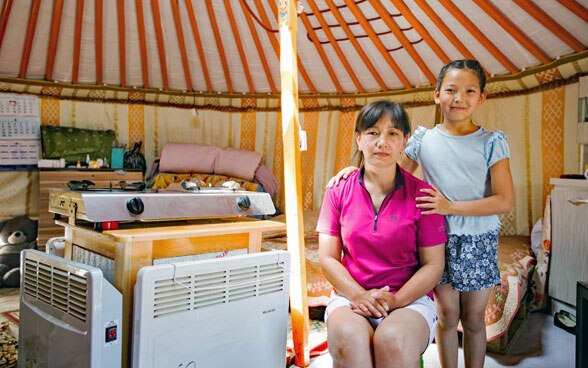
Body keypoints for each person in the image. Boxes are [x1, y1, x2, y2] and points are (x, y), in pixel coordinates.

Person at [327, 60, 514, 368]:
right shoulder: (423, 140)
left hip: (476, 238)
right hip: (435, 238)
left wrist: (449, 206)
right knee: (447, 316)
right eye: (451, 90)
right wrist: (355, 170)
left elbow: (505, 201)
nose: (459, 98)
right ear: (436, 94)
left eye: (469, 91)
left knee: (474, 319)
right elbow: (394, 177)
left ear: (482, 98)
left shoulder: (491, 141)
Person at [317, 100, 447, 368]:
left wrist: (396, 299)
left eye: (393, 134)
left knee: (393, 340)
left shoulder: (423, 195)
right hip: (350, 295)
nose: (382, 142)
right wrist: (358, 295)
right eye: (373, 132)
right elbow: (328, 258)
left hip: (408, 299)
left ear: (404, 141)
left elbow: (434, 264)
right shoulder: (338, 190)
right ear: (359, 139)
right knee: (346, 337)